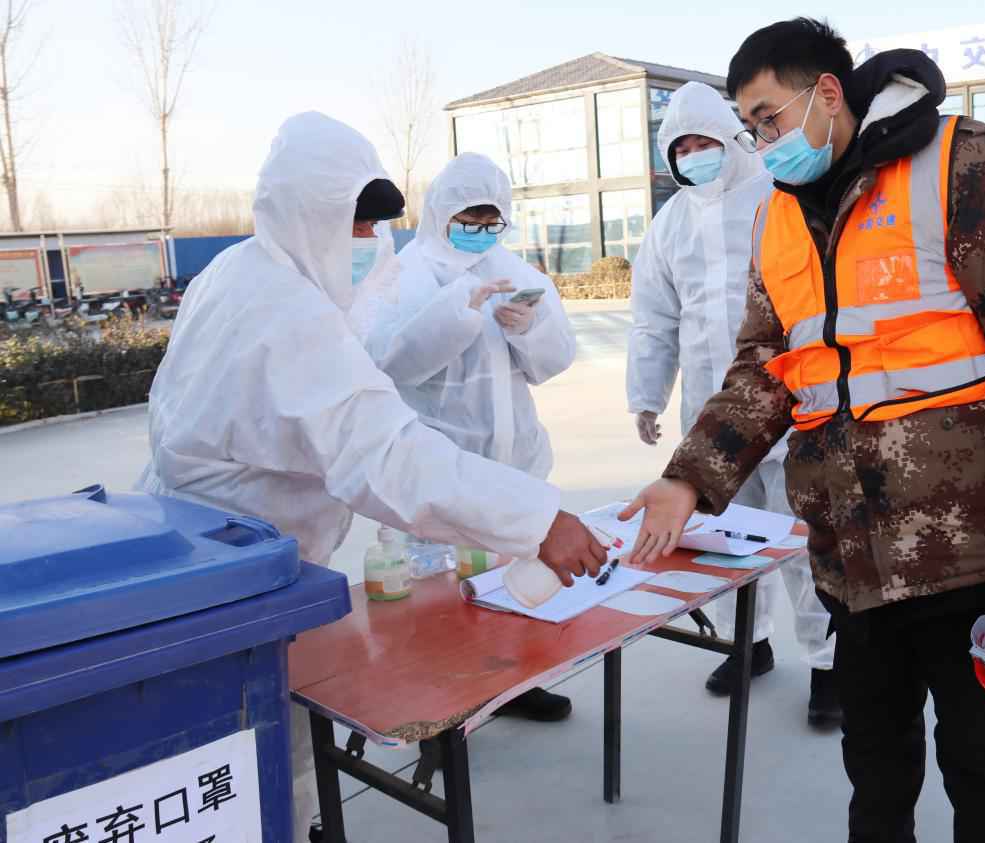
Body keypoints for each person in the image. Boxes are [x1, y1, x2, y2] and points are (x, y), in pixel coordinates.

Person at [621, 19, 985, 843]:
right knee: (876, 776)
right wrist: (687, 477)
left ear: (826, 92)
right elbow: (763, 368)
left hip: (973, 550)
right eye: (749, 126)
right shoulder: (779, 219)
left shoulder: (956, 163)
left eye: (767, 119)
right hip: (851, 560)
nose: (760, 141)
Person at [137, 112, 606, 843]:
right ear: (305, 213)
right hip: (239, 575)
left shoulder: (238, 271)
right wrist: (539, 520)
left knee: (230, 752)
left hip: (196, 555)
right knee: (265, 756)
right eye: (354, 224)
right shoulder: (286, 312)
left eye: (376, 223)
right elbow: (385, 454)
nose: (368, 242)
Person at [625, 81, 839, 727]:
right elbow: (653, 320)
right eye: (681, 148)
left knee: (805, 541)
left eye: (704, 141)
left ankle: (831, 665)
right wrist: (645, 394)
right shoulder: (668, 225)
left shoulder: (778, 197)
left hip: (792, 402)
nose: (695, 154)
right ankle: (745, 643)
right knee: (724, 542)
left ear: (731, 137)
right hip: (709, 415)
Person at [363, 152, 577, 720]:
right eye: (469, 220)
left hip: (512, 463)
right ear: (440, 214)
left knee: (512, 583)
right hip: (441, 468)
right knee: (436, 598)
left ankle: (515, 682)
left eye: (490, 222)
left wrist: (531, 330)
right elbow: (390, 362)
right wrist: (454, 316)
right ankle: (439, 704)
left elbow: (553, 362)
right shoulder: (407, 273)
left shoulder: (519, 272)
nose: (480, 233)